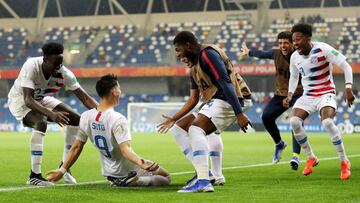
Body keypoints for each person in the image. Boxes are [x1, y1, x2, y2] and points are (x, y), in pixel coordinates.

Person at [157, 31, 252, 193]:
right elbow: (193, 99)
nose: (179, 55)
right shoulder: (194, 67)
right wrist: (173, 118)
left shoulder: (208, 54)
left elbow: (226, 82)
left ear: (189, 45)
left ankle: (203, 180)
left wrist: (239, 113)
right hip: (217, 100)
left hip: (232, 98)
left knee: (196, 129)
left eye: (179, 50)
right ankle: (211, 174)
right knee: (179, 128)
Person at [47, 74, 171, 187]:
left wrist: (61, 171)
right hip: (129, 170)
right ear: (114, 92)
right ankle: (136, 180)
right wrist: (141, 163)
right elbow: (125, 150)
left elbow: (76, 147)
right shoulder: (118, 118)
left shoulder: (86, 116)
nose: (120, 91)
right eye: (119, 88)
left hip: (110, 173)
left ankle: (122, 181)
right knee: (166, 177)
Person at [7, 42, 98, 186]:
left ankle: (65, 168)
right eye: (55, 64)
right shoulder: (31, 65)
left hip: (41, 99)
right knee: (41, 122)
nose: (58, 68)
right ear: (45, 60)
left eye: (60, 64)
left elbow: (85, 97)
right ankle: (34, 176)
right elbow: (28, 99)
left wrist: (103, 113)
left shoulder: (64, 73)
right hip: (20, 101)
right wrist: (52, 114)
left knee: (77, 120)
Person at [283, 23, 355, 180]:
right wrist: (289, 94)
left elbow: (346, 66)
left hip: (326, 93)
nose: (295, 43)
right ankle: (311, 157)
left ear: (308, 38)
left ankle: (344, 162)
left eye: (298, 39)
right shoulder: (295, 57)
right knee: (294, 121)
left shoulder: (323, 49)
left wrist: (348, 88)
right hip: (308, 95)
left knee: (327, 122)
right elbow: (294, 77)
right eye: (293, 40)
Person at [240, 31, 303, 170]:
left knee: (295, 121)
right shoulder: (276, 54)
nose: (283, 45)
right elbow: (263, 53)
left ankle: (296, 156)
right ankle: (279, 143)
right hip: (280, 94)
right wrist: (249, 52)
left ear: (292, 43)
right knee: (266, 117)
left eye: (286, 42)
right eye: (280, 43)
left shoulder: (300, 56)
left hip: (298, 94)